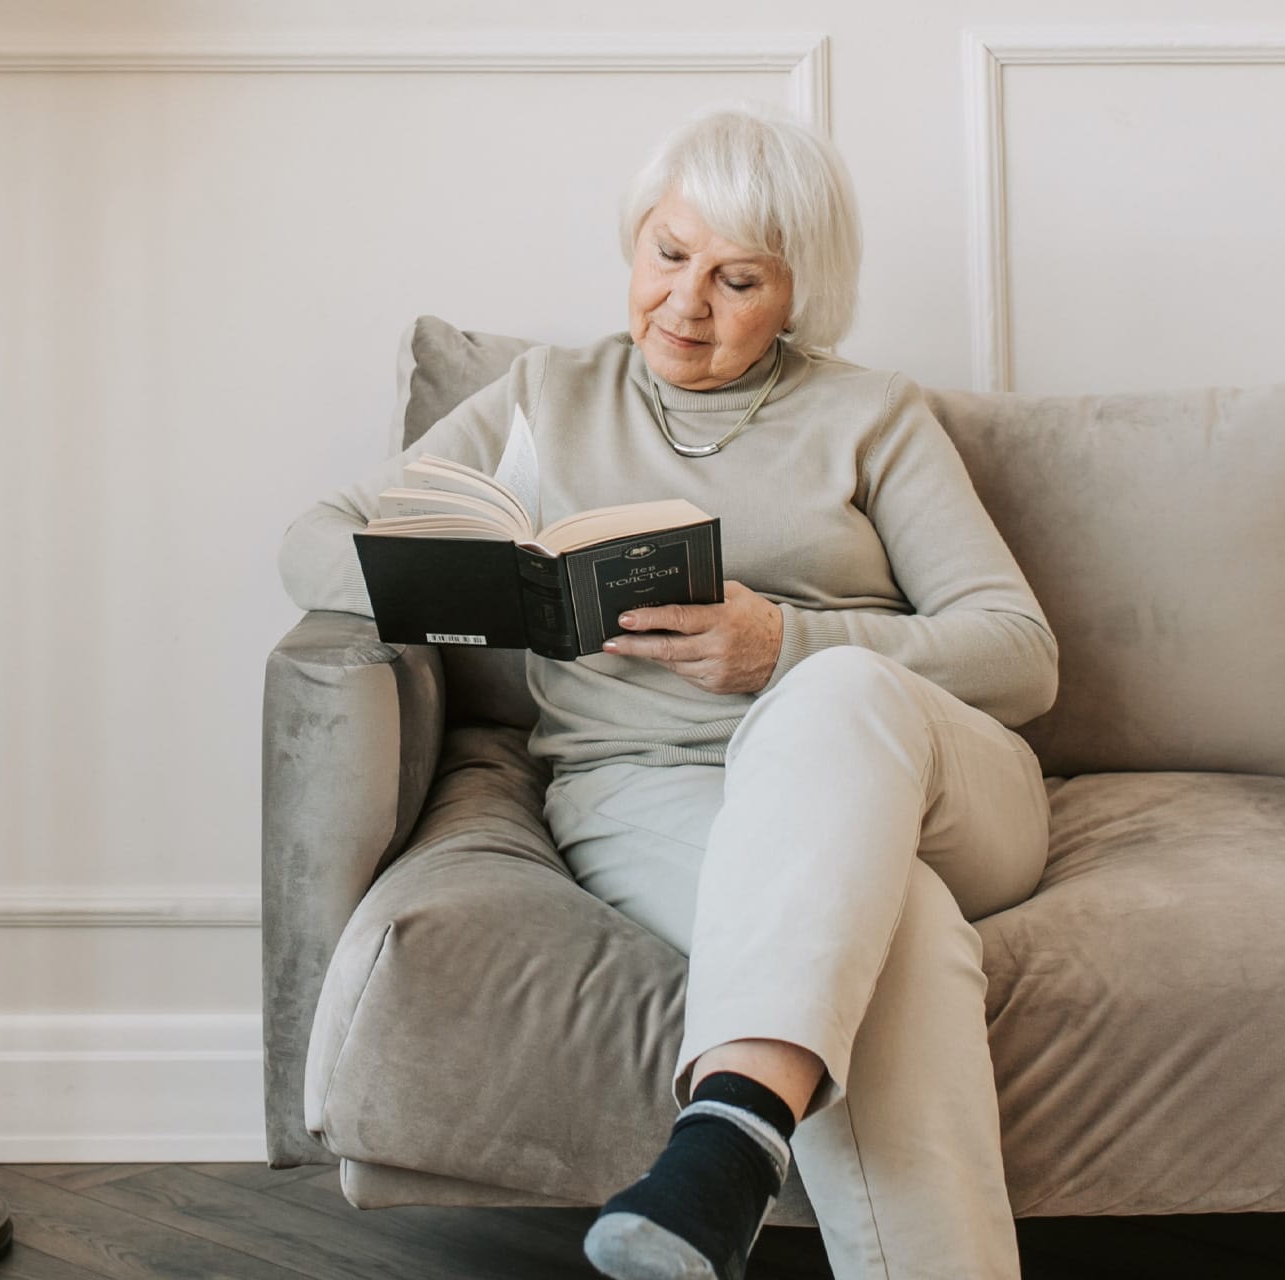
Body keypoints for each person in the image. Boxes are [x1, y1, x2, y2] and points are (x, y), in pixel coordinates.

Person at [278, 104, 1057, 1280]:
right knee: (900, 946)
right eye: (669, 254)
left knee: (835, 686)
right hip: (654, 787)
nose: (687, 302)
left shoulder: (874, 415)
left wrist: (784, 641)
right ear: (634, 241)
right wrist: (491, 587)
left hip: (930, 778)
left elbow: (1020, 651)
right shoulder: (549, 394)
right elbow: (316, 539)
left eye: (738, 277)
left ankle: (724, 1138)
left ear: (801, 292)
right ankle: (735, 1144)